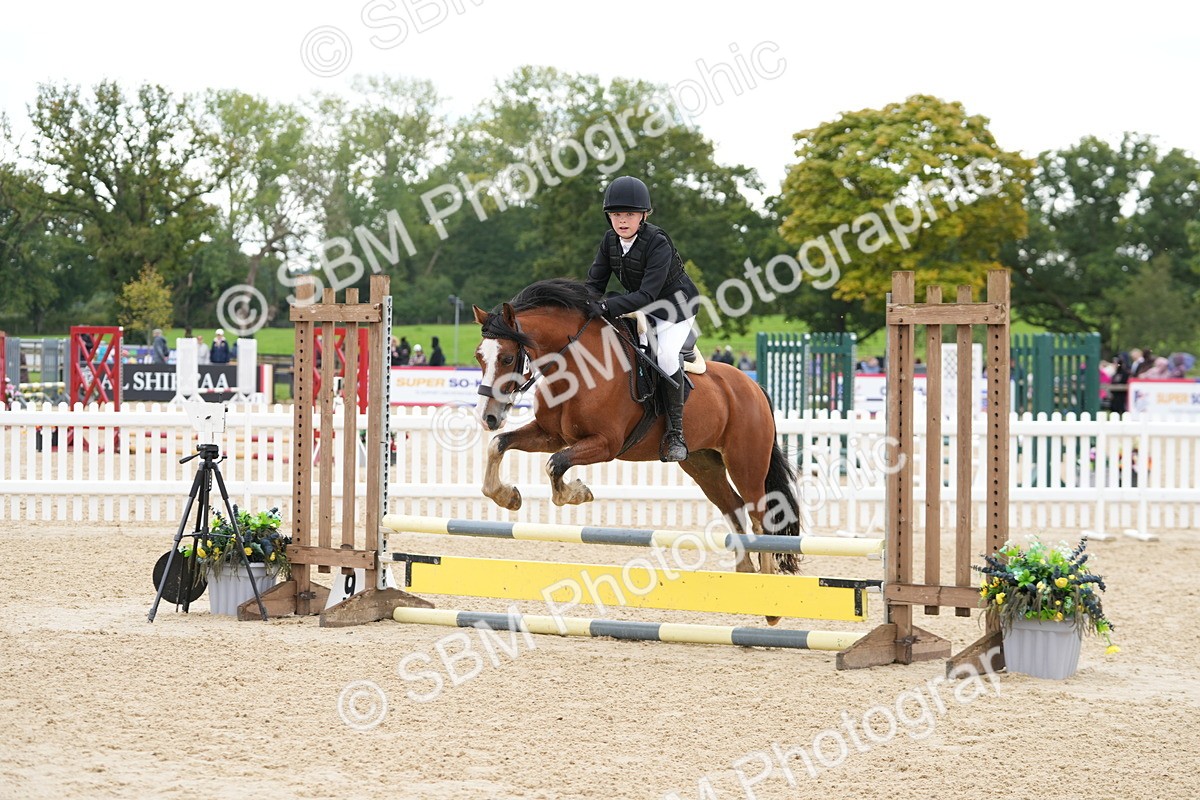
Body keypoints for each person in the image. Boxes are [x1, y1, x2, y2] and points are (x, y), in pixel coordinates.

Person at [584, 175, 700, 462]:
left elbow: (648, 294)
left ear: (643, 216)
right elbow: (594, 285)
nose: (623, 221)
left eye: (630, 214)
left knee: (665, 357)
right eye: (617, 214)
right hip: (644, 307)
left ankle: (675, 434)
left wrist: (607, 306)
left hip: (676, 308)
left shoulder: (657, 242)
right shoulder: (610, 241)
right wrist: (582, 303)